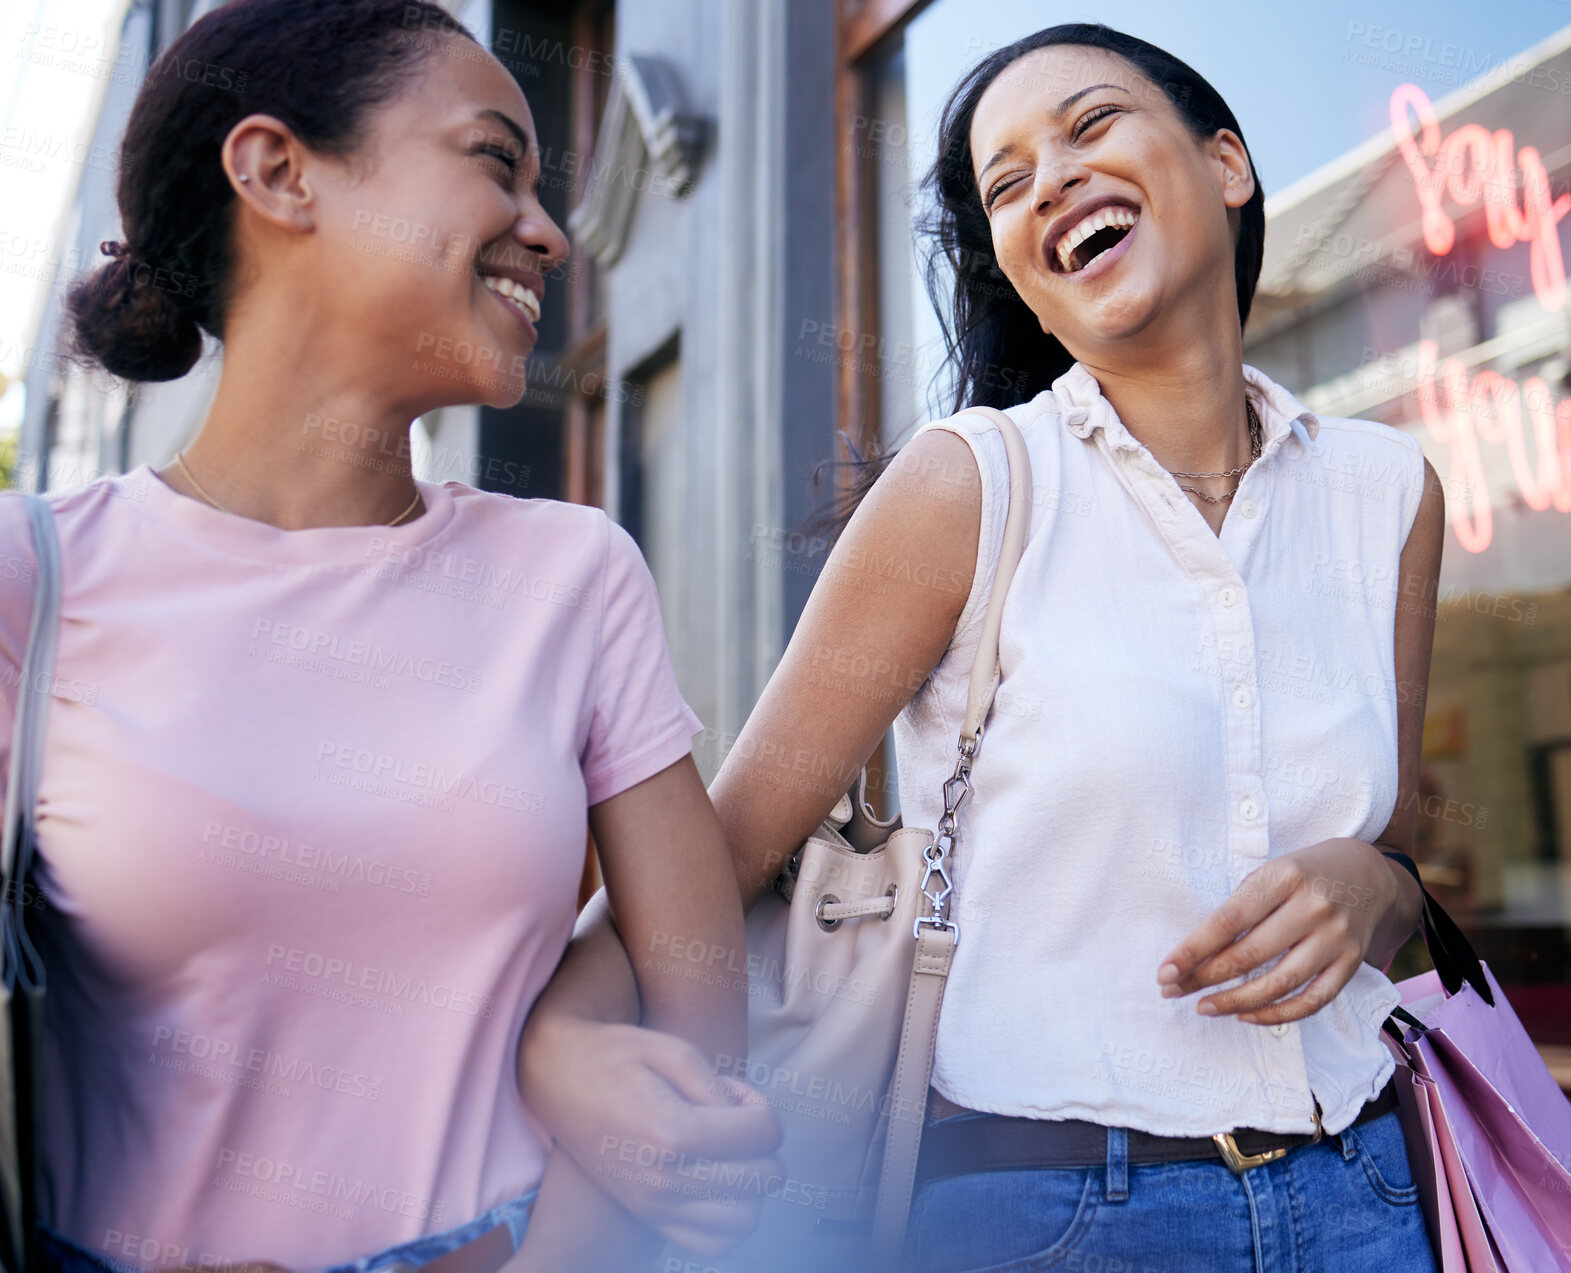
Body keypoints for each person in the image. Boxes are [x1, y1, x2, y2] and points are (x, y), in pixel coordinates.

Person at [519, 23, 1444, 1273]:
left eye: (1090, 125)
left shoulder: (1390, 494)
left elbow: (1384, 841)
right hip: (1052, 1214)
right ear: (1017, 266)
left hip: (1369, 1188)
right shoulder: (970, 485)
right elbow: (720, 845)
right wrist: (561, 1041)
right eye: (1004, 183)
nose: (1048, 179)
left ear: (1225, 163)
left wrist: (1376, 886)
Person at [0, 2, 778, 1269]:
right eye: (493, 162)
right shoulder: (34, 575)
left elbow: (692, 1010)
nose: (550, 232)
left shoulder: (570, 575)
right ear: (278, 173)